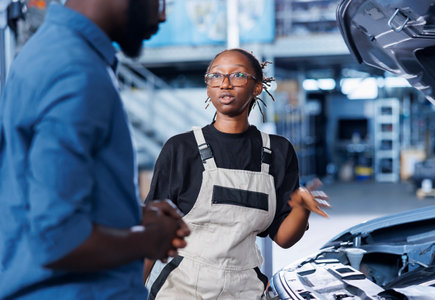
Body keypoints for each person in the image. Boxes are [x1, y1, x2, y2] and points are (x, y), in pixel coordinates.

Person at [0, 0, 189, 299]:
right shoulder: (76, 72)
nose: (163, 14)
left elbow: (38, 201)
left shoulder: (51, 50)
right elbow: (59, 240)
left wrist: (130, 217)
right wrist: (149, 239)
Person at [144, 48, 330, 299]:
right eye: (216, 76)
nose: (225, 84)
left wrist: (301, 208)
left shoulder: (277, 151)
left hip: (244, 289)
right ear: (208, 86)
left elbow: (284, 238)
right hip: (181, 287)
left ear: (257, 87)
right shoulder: (180, 148)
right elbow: (152, 234)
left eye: (238, 75)